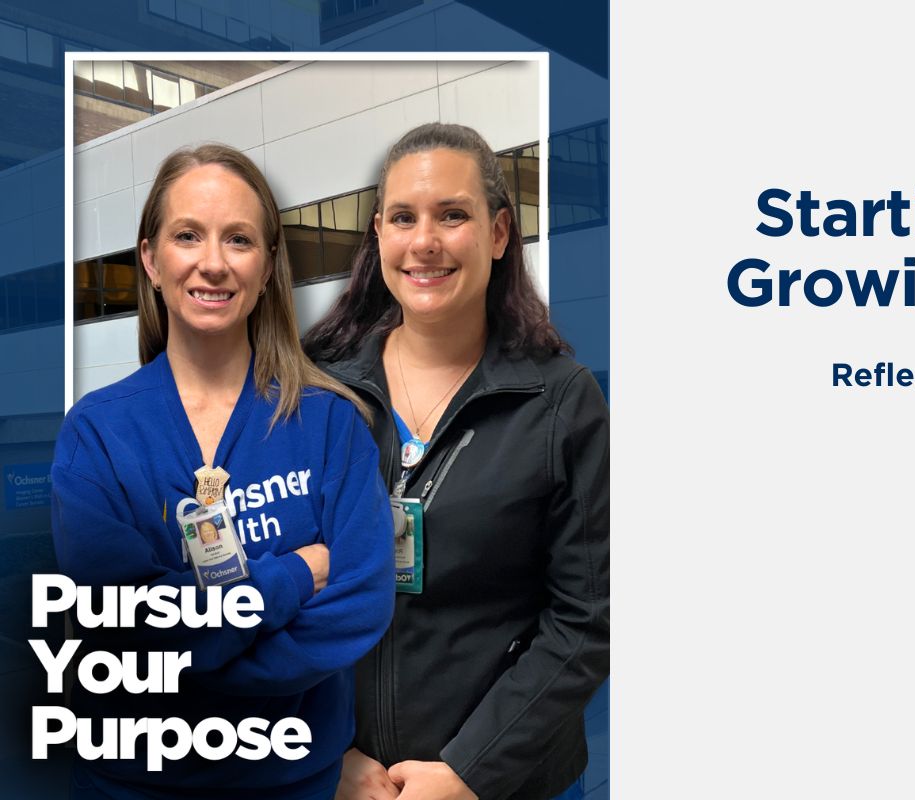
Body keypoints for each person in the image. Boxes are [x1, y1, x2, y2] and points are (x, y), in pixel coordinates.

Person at [51, 144, 395, 799]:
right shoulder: (96, 434)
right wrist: (296, 573)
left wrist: (188, 646)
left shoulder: (330, 424)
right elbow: (125, 629)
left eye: (238, 239)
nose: (212, 262)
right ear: (151, 259)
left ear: (267, 267)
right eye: (188, 235)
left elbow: (360, 605)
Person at [305, 123, 608, 800]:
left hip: (513, 785)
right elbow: (271, 589)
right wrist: (322, 747)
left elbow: (586, 618)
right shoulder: (316, 391)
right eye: (404, 218)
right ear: (379, 234)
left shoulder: (560, 402)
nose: (425, 242)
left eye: (453, 215)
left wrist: (473, 770)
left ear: (499, 234)